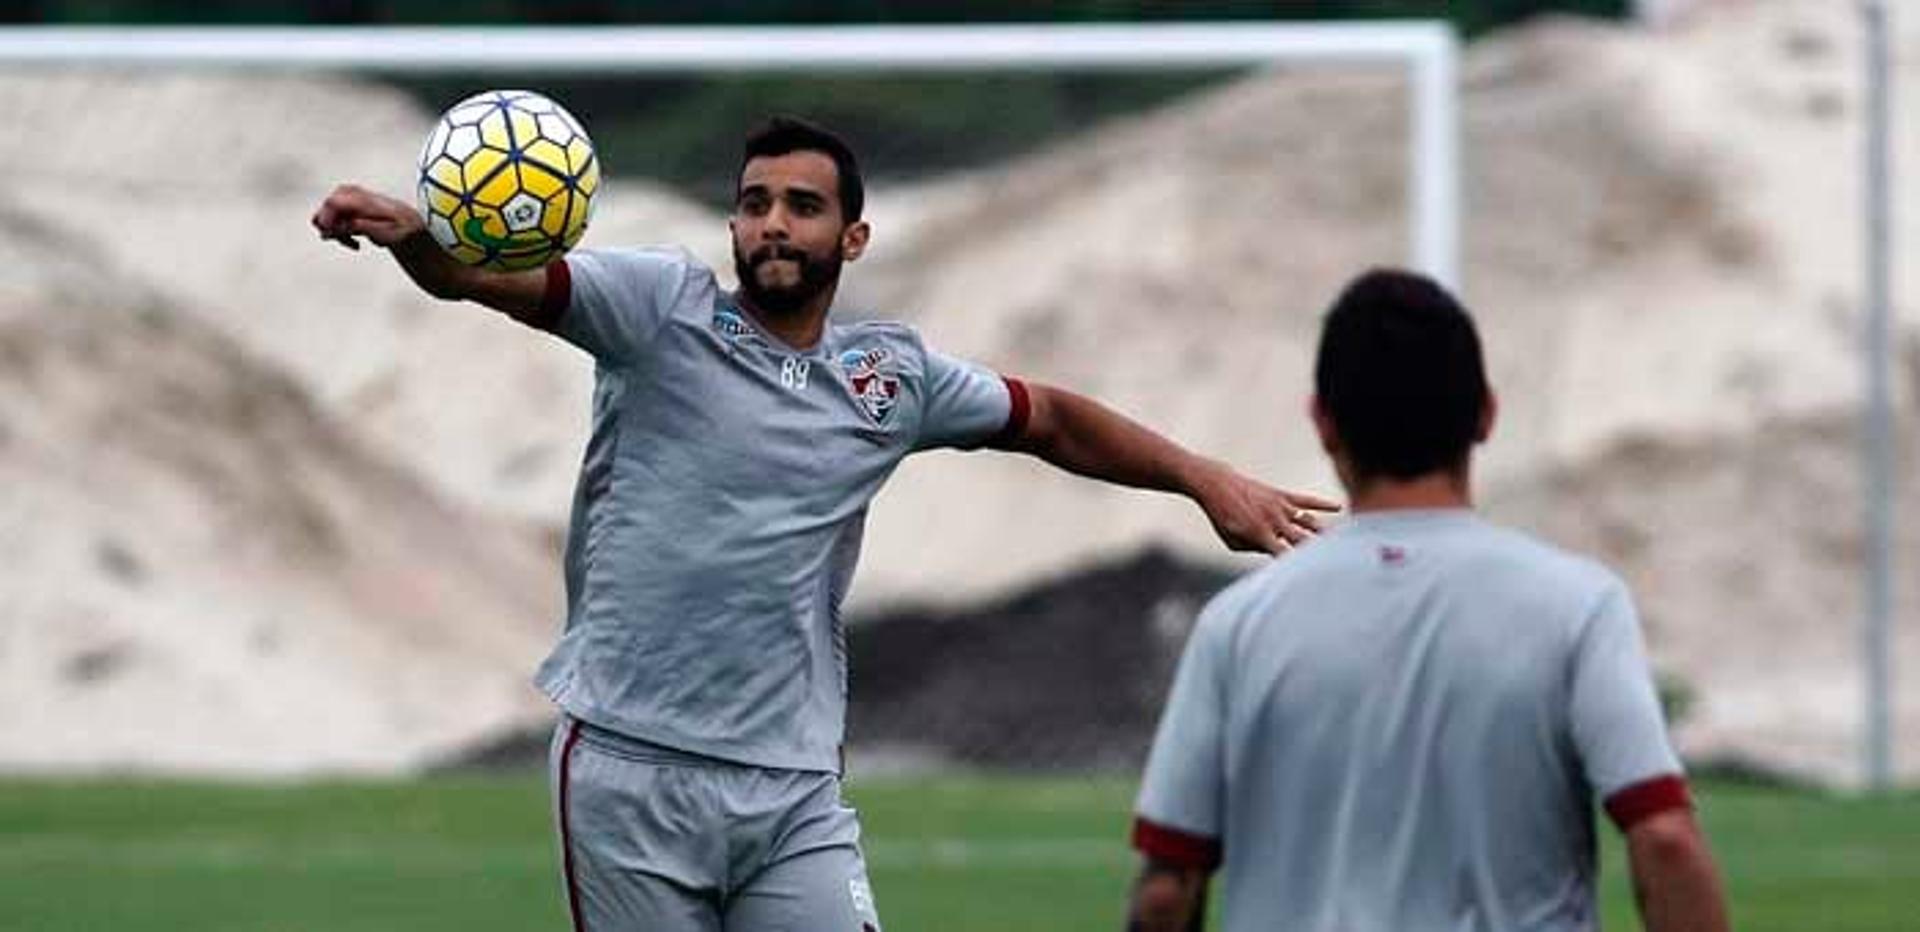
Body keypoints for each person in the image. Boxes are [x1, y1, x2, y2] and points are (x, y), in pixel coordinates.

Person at [312, 115, 1336, 932]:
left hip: (791, 784)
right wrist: (421, 243)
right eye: (754, 203)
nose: (772, 223)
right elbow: (487, 278)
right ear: (731, 229)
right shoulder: (656, 311)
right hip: (628, 766)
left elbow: (1053, 418)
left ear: (851, 238)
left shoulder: (888, 379)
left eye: (802, 206)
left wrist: (1206, 479)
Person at [1126, 270, 1730, 932]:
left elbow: (1167, 889)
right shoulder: (1578, 606)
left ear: (1324, 423)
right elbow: (1666, 840)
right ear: (1487, 414)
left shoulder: (1238, 623)